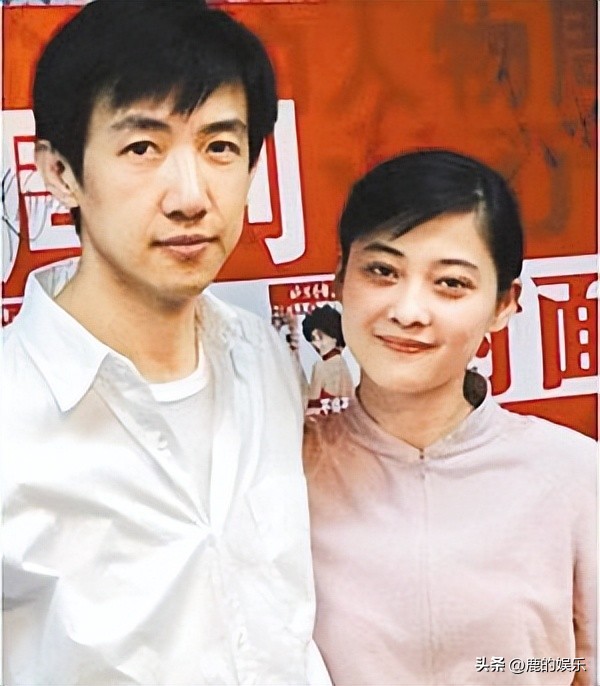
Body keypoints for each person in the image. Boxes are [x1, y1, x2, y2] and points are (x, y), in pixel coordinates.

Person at [2, 2, 330, 684]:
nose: (190, 197)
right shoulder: (12, 411)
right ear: (59, 172)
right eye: (142, 148)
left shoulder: (266, 361)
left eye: (220, 147)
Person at [303, 150, 596, 685]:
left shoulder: (574, 475)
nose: (408, 311)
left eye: (451, 283)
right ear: (340, 278)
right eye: (382, 271)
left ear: (504, 304)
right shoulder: (284, 473)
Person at [301, 305, 354, 414]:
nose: (316, 344)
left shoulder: (320, 367)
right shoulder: (344, 367)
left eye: (318, 337)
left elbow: (311, 408)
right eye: (313, 339)